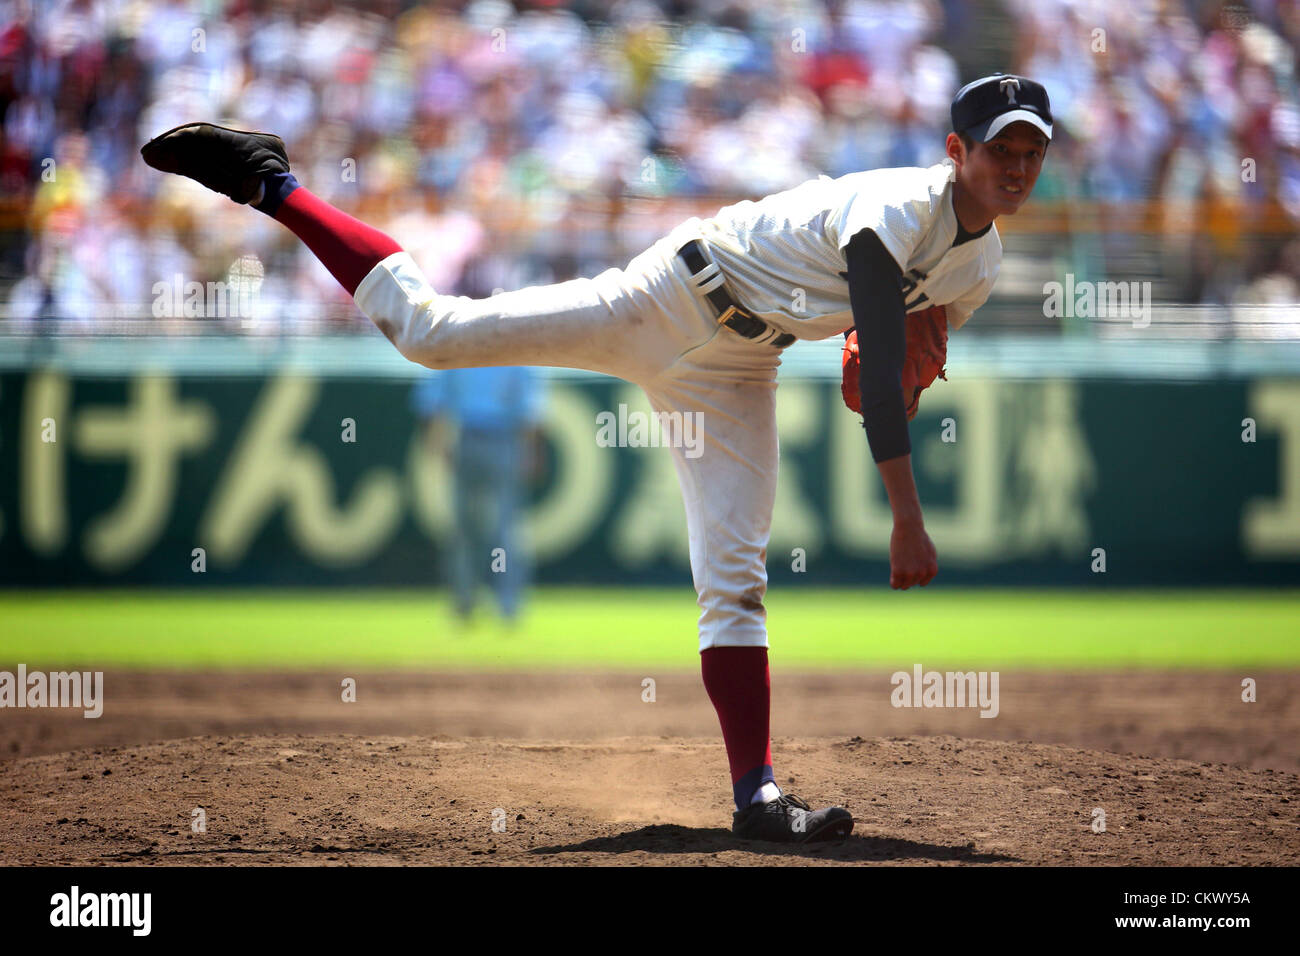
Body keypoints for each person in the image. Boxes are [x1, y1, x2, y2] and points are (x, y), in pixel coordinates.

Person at [141, 73, 1051, 844]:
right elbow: (884, 370)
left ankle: (756, 797)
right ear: (954, 149)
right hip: (671, 297)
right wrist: (905, 513)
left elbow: (893, 367)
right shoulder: (896, 204)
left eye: (1030, 152)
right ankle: (270, 183)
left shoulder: (981, 265)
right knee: (430, 332)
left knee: (734, 577)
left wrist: (888, 375)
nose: (1015, 167)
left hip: (742, 365)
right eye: (998, 149)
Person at [412, 365, 543, 626]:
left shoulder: (460, 347)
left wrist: (436, 441)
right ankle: (502, 604)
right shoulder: (516, 348)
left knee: (472, 529)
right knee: (499, 527)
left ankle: (470, 601)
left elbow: (431, 402)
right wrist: (532, 451)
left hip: (475, 439)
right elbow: (531, 411)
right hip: (495, 442)